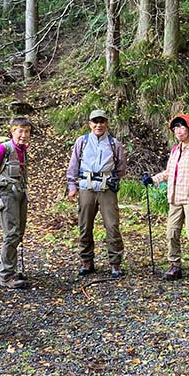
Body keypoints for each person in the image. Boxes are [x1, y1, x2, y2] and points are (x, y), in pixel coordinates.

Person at [142, 113, 189, 285]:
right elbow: (169, 172)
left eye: (182, 127)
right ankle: (175, 264)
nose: (179, 131)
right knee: (171, 233)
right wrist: (153, 179)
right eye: (176, 127)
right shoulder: (175, 150)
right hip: (175, 199)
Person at [66, 109, 127, 277]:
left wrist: (112, 178)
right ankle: (87, 261)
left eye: (102, 122)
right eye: (95, 122)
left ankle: (115, 263)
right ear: (90, 124)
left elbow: (121, 167)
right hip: (86, 188)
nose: (98, 125)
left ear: (106, 123)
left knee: (112, 226)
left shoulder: (114, 143)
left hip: (107, 189)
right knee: (85, 225)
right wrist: (72, 186)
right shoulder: (82, 142)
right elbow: (73, 165)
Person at [0, 117, 32, 290]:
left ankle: (9, 269)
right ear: (12, 131)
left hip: (20, 193)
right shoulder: (3, 149)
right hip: (6, 195)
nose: (24, 135)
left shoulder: (23, 150)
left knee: (18, 233)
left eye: (27, 131)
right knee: (11, 233)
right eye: (20, 131)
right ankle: (5, 275)